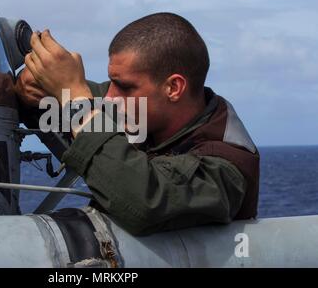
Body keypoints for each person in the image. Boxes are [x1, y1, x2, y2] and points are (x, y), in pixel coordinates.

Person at [14, 12, 260, 236]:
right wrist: (32, 87)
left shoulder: (226, 166)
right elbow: (66, 97)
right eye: (112, 82)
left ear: (173, 88)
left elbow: (144, 200)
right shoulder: (140, 109)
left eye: (125, 86)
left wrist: (76, 100)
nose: (110, 96)